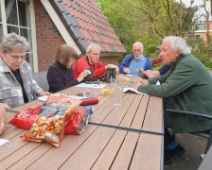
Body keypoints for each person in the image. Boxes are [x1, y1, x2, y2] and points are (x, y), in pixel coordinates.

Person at [133, 36, 212, 164]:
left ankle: (169, 147)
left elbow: (165, 90)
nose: (160, 54)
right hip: (190, 105)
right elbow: (163, 79)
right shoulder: (180, 62)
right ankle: (170, 144)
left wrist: (141, 88)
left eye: (164, 50)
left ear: (177, 51)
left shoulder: (187, 65)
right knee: (154, 107)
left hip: (200, 116)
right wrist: (147, 81)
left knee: (151, 113)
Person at [0, 33, 50, 108]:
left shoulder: (25, 65)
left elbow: (30, 82)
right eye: (15, 57)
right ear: (2, 53)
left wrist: (40, 91)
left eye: (22, 56)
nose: (20, 61)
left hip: (29, 113)